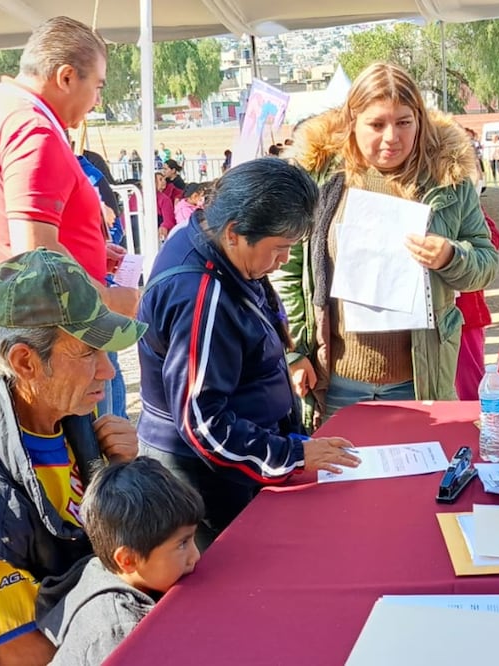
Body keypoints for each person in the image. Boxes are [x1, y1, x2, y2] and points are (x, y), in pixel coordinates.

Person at [0, 248, 146, 665]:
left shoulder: (65, 412)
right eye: (88, 353)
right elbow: (26, 656)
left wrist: (120, 477)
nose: (109, 372)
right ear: (25, 361)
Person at [138, 158, 361, 550]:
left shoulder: (217, 249)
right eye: (279, 249)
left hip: (236, 460)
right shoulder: (200, 296)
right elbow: (203, 423)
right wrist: (291, 454)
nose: (283, 262)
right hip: (205, 477)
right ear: (235, 232)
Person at [272, 62, 498, 425]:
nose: (392, 137)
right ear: (352, 120)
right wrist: (294, 353)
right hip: (337, 383)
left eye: (404, 122)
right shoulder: (317, 179)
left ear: (419, 120)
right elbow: (285, 271)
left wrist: (450, 256)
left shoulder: (448, 177)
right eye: (377, 124)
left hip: (420, 380)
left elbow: (485, 263)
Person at [0, 16, 138, 320]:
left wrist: (86, 252)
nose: (97, 100)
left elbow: (19, 233)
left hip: (19, 312)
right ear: (66, 77)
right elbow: (36, 256)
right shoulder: (34, 132)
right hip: (54, 330)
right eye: (97, 86)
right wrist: (105, 298)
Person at [36, 458, 204, 665]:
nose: (195, 556)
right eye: (182, 544)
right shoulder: (119, 631)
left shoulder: (109, 570)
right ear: (127, 560)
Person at [455, 214, 499, 400]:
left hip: (464, 310)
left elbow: (491, 240)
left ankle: (477, 425)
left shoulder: (462, 196)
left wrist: (451, 253)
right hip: (412, 314)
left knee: (470, 384)